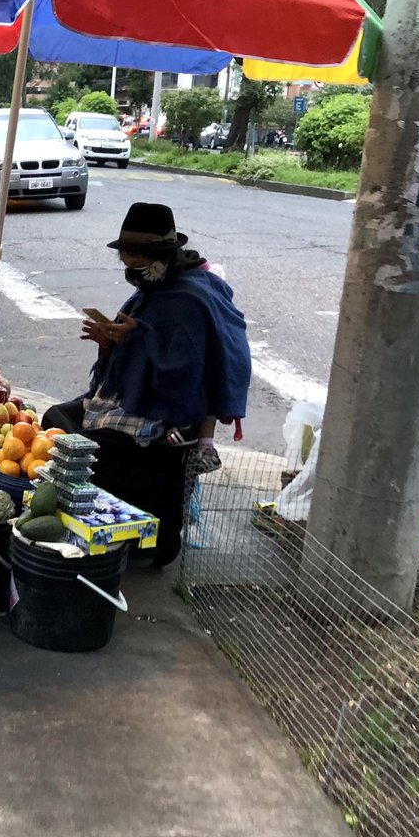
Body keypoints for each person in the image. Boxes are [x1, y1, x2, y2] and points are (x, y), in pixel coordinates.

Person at [43, 202, 251, 569]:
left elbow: (187, 370)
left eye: (135, 264)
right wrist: (111, 343)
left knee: (91, 452)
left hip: (164, 412)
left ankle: (131, 538)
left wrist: (134, 341)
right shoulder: (156, 289)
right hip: (129, 398)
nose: (130, 272)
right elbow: (136, 350)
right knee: (56, 420)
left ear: (157, 257)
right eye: (126, 264)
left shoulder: (190, 297)